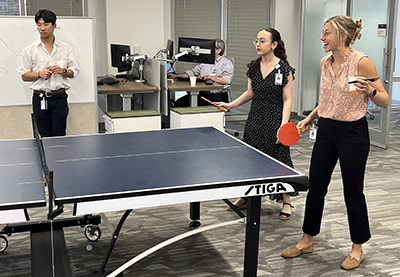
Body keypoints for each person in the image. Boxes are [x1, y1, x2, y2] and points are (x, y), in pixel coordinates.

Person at [281, 16, 389, 270]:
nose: (322, 38)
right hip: (326, 130)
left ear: (342, 35)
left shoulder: (362, 62)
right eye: (322, 33)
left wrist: (370, 92)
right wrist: (308, 118)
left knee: (353, 190)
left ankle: (357, 246)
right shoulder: (324, 63)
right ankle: (307, 239)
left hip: (353, 132)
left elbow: (384, 99)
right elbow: (327, 100)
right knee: (316, 185)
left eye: (327, 33)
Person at [216, 28, 298, 220]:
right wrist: (230, 105)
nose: (258, 44)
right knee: (252, 159)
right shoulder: (254, 66)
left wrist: (283, 126)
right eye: (257, 40)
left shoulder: (284, 68)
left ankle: (286, 200)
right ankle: (247, 197)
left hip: (276, 119)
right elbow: (250, 93)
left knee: (279, 159)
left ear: (274, 44)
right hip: (255, 119)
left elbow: (287, 100)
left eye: (262, 41)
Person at [17, 9, 79, 137]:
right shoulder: (29, 50)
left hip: (59, 97)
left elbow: (74, 72)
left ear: (54, 25)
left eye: (46, 24)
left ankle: (58, 158)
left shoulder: (65, 48)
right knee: (44, 136)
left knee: (59, 135)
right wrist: (40, 74)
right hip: (40, 98)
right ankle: (46, 158)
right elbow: (24, 75)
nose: (42, 28)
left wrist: (63, 71)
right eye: (39, 25)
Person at [168, 38, 234, 106]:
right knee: (178, 103)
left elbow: (226, 80)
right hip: (202, 94)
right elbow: (192, 73)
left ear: (218, 50)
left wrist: (210, 77)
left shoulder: (226, 63)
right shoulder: (206, 61)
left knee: (187, 105)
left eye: (211, 47)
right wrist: (176, 75)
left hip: (216, 96)